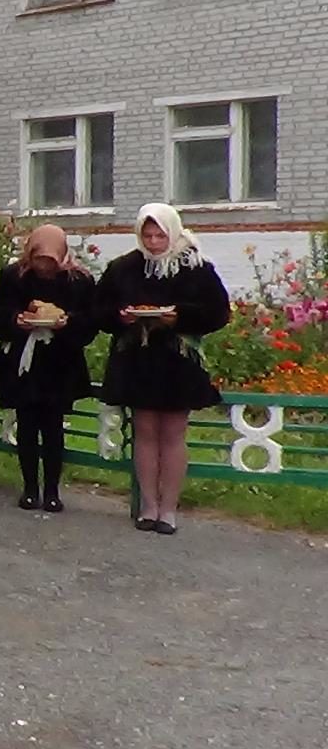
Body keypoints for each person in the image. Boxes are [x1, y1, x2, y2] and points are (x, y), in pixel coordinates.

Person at [95, 204, 230, 535]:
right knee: (144, 431)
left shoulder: (196, 268)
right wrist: (121, 317)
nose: (154, 242)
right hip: (137, 361)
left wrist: (179, 316)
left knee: (172, 433)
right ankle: (148, 506)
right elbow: (99, 310)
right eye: (148, 236)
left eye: (160, 235)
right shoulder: (125, 268)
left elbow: (218, 313)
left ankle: (169, 508)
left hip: (177, 364)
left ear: (173, 232)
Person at [0, 225, 98, 512]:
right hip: (23, 363)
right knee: (26, 425)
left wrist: (67, 322)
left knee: (53, 427)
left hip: (60, 363)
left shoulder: (78, 280)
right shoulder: (15, 276)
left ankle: (52, 490)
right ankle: (30, 488)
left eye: (50, 261)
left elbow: (90, 322)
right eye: (39, 260)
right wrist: (16, 320)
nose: (44, 267)